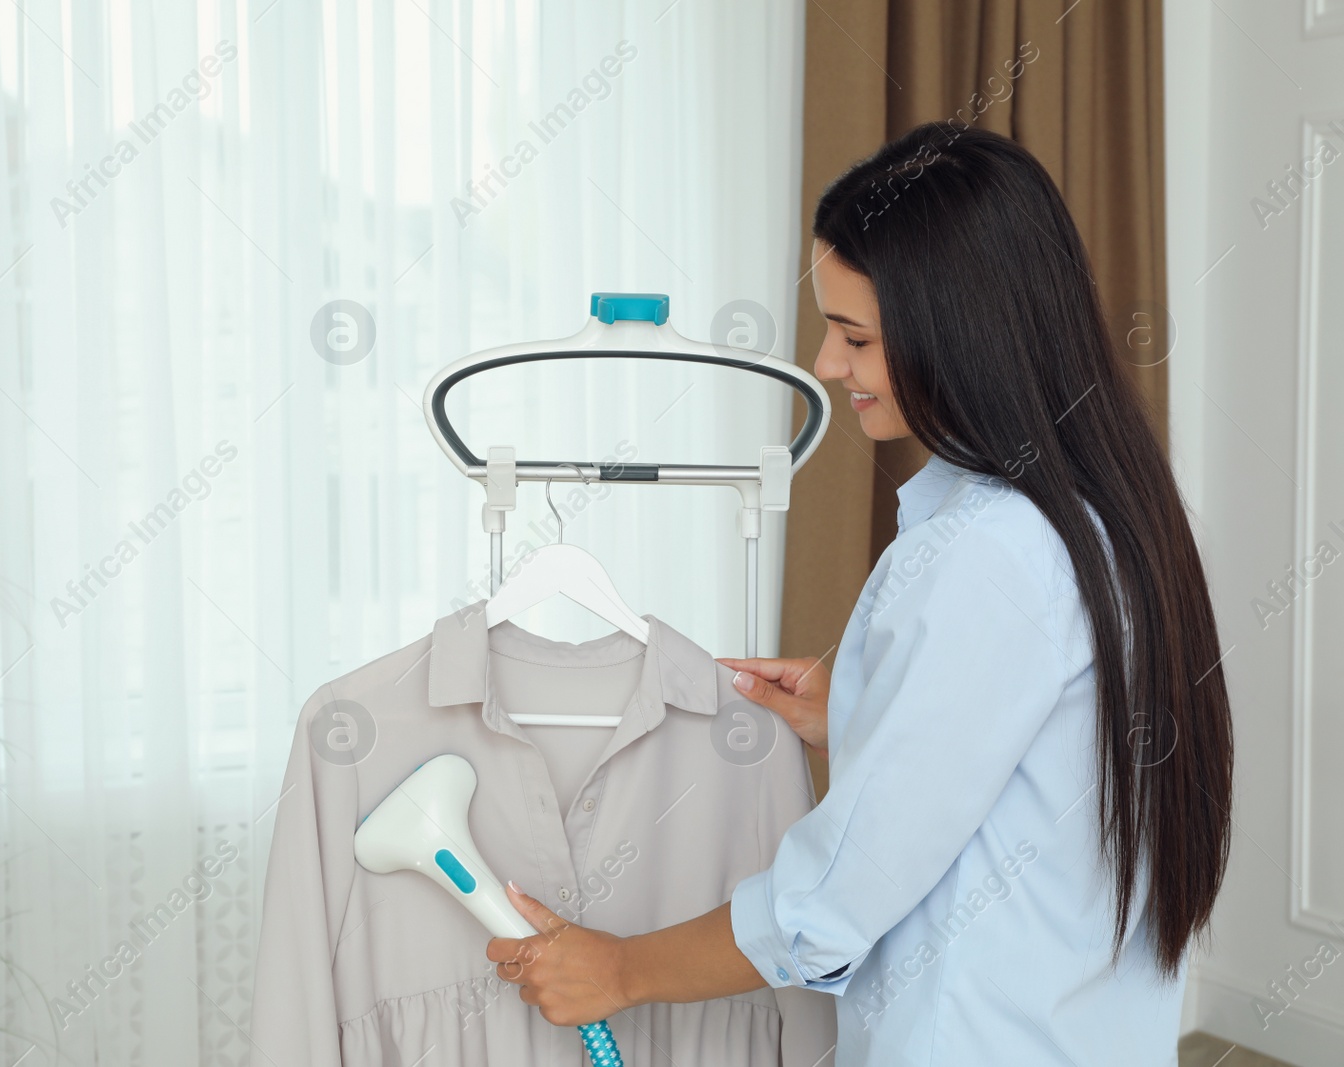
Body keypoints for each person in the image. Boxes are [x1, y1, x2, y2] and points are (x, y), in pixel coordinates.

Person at [485, 123, 1235, 1064]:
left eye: (855, 336)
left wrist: (622, 969)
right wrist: (871, 721)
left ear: (957, 332)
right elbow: (1053, 766)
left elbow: (830, 902)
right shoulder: (1105, 516)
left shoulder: (984, 559)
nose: (828, 365)